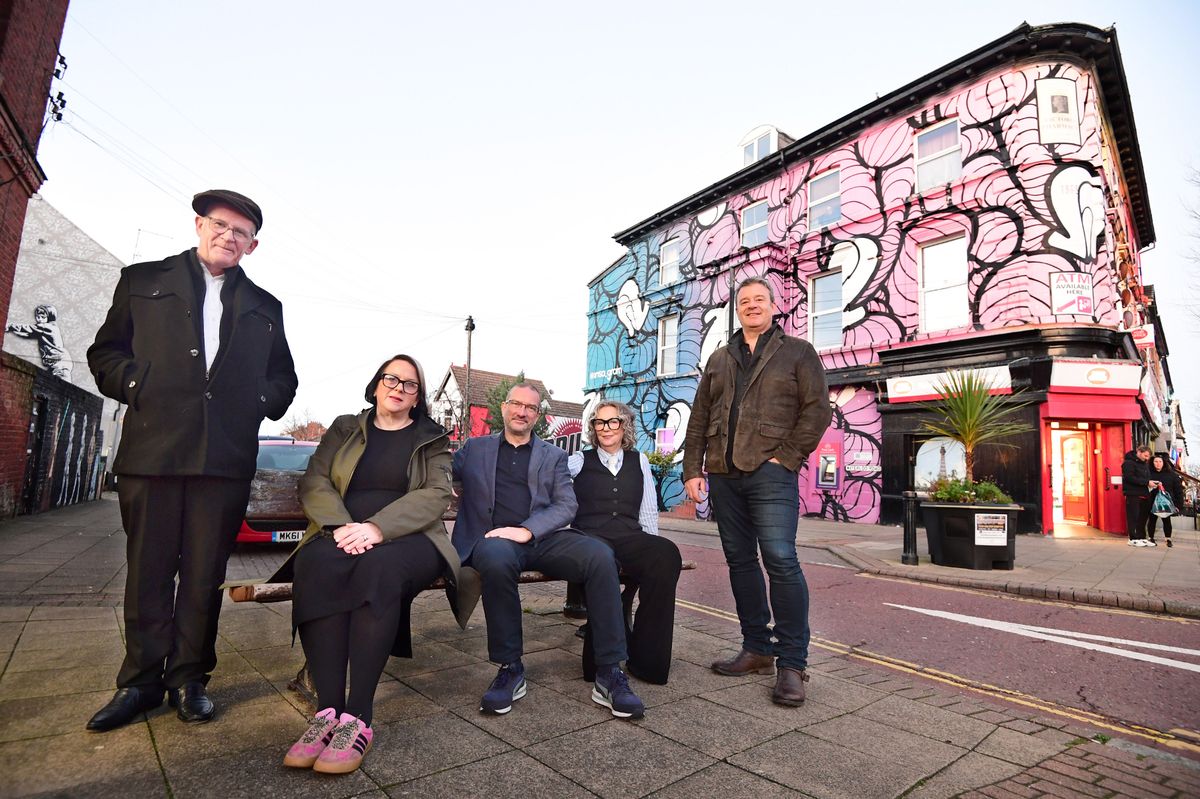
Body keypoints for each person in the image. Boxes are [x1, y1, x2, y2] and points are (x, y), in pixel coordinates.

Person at [85, 190, 298, 732]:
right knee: (148, 574)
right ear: (200, 224)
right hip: (154, 451)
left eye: (242, 232)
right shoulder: (141, 280)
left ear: (252, 246)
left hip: (223, 459)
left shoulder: (265, 306)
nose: (230, 236)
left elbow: (283, 379)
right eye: (221, 225)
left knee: (204, 576)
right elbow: (105, 354)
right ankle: (139, 683)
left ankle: (188, 679)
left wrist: (257, 403)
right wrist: (140, 383)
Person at [281, 354, 480, 774]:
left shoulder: (432, 439)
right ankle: (327, 713)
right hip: (341, 532)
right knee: (315, 564)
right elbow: (314, 480)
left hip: (411, 539)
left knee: (378, 569)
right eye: (392, 378)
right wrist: (339, 526)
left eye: (410, 384)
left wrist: (375, 528)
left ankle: (358, 718)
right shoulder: (344, 429)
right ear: (375, 385)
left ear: (417, 398)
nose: (399, 387)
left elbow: (434, 495)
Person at [452, 383, 645, 719]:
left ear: (537, 415)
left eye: (530, 407)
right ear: (504, 408)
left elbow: (567, 505)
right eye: (516, 404)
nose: (522, 411)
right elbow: (437, 476)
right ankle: (510, 667)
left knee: (600, 555)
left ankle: (610, 671)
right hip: (494, 539)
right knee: (496, 560)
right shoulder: (474, 449)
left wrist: (527, 530)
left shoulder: (553, 455)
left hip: (541, 537)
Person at [683, 276, 831, 706]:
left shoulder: (798, 352)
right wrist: (694, 469)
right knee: (740, 561)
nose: (751, 306)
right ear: (737, 309)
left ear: (772, 305)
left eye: (759, 300)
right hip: (725, 474)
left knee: (781, 560)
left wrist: (786, 457)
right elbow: (699, 417)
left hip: (771, 472)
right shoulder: (718, 357)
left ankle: (791, 663)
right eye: (744, 301)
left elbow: (817, 410)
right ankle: (757, 649)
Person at [568, 400, 682, 685]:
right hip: (591, 538)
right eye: (599, 422)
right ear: (593, 428)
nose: (606, 428)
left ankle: (647, 660)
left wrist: (649, 552)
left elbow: (647, 509)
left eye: (613, 421)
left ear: (624, 425)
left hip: (630, 536)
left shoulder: (639, 460)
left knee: (665, 554)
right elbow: (558, 500)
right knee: (601, 560)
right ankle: (601, 661)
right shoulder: (578, 460)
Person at [6, 303, 72, 379]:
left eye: (43, 317)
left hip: (60, 362)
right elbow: (28, 334)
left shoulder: (47, 327)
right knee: (48, 384)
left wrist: (9, 326)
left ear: (49, 318)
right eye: (38, 317)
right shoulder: (45, 329)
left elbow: (27, 328)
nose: (39, 319)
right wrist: (13, 331)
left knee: (61, 385)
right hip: (55, 362)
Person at [1121, 446, 1154, 548]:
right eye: (1145, 455)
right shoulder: (1128, 463)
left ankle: (1141, 537)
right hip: (1133, 494)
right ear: (1139, 452)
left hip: (1144, 494)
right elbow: (1129, 478)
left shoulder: (1145, 464)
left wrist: (1151, 483)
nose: (1147, 458)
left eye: (1148, 456)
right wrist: (1147, 482)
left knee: (1142, 518)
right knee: (1133, 517)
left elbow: (1145, 478)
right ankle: (1133, 538)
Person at [1147, 454, 1183, 548]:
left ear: (1164, 463)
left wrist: (1179, 505)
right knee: (1152, 520)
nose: (1158, 464)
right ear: (1152, 462)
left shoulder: (1172, 475)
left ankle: (1168, 539)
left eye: (1160, 462)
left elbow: (1178, 490)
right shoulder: (1148, 473)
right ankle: (1151, 538)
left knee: (1166, 520)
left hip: (1166, 502)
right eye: (1156, 461)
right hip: (1151, 501)